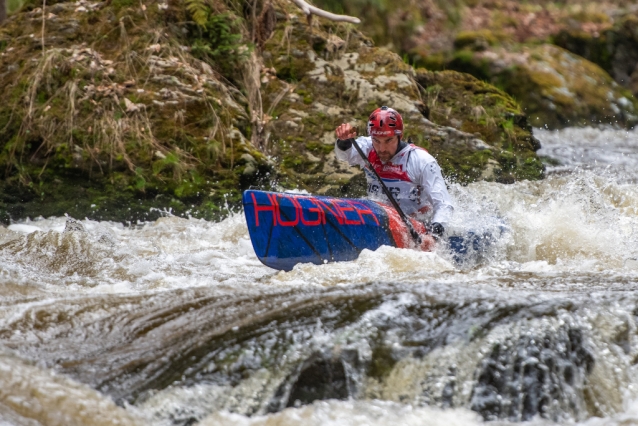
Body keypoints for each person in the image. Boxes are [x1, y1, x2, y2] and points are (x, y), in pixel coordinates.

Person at [334, 106, 453, 237]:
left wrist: (434, 234)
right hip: (379, 220)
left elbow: (443, 205)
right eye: (377, 141)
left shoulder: (421, 160)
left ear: (400, 136)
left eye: (388, 140)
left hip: (417, 224)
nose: (382, 148)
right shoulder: (367, 147)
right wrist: (343, 141)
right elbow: (345, 155)